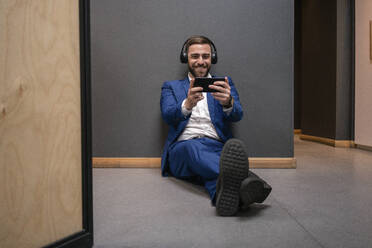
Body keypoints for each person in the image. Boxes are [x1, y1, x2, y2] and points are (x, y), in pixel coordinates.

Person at [160, 35, 271, 216]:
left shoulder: (224, 83)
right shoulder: (171, 87)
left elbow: (238, 115)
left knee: (217, 175)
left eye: (205, 56)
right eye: (195, 56)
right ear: (185, 58)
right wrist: (187, 104)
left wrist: (228, 102)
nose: (201, 61)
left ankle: (233, 199)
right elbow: (167, 115)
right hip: (182, 149)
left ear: (212, 58)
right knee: (194, 148)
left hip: (217, 147)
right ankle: (252, 181)